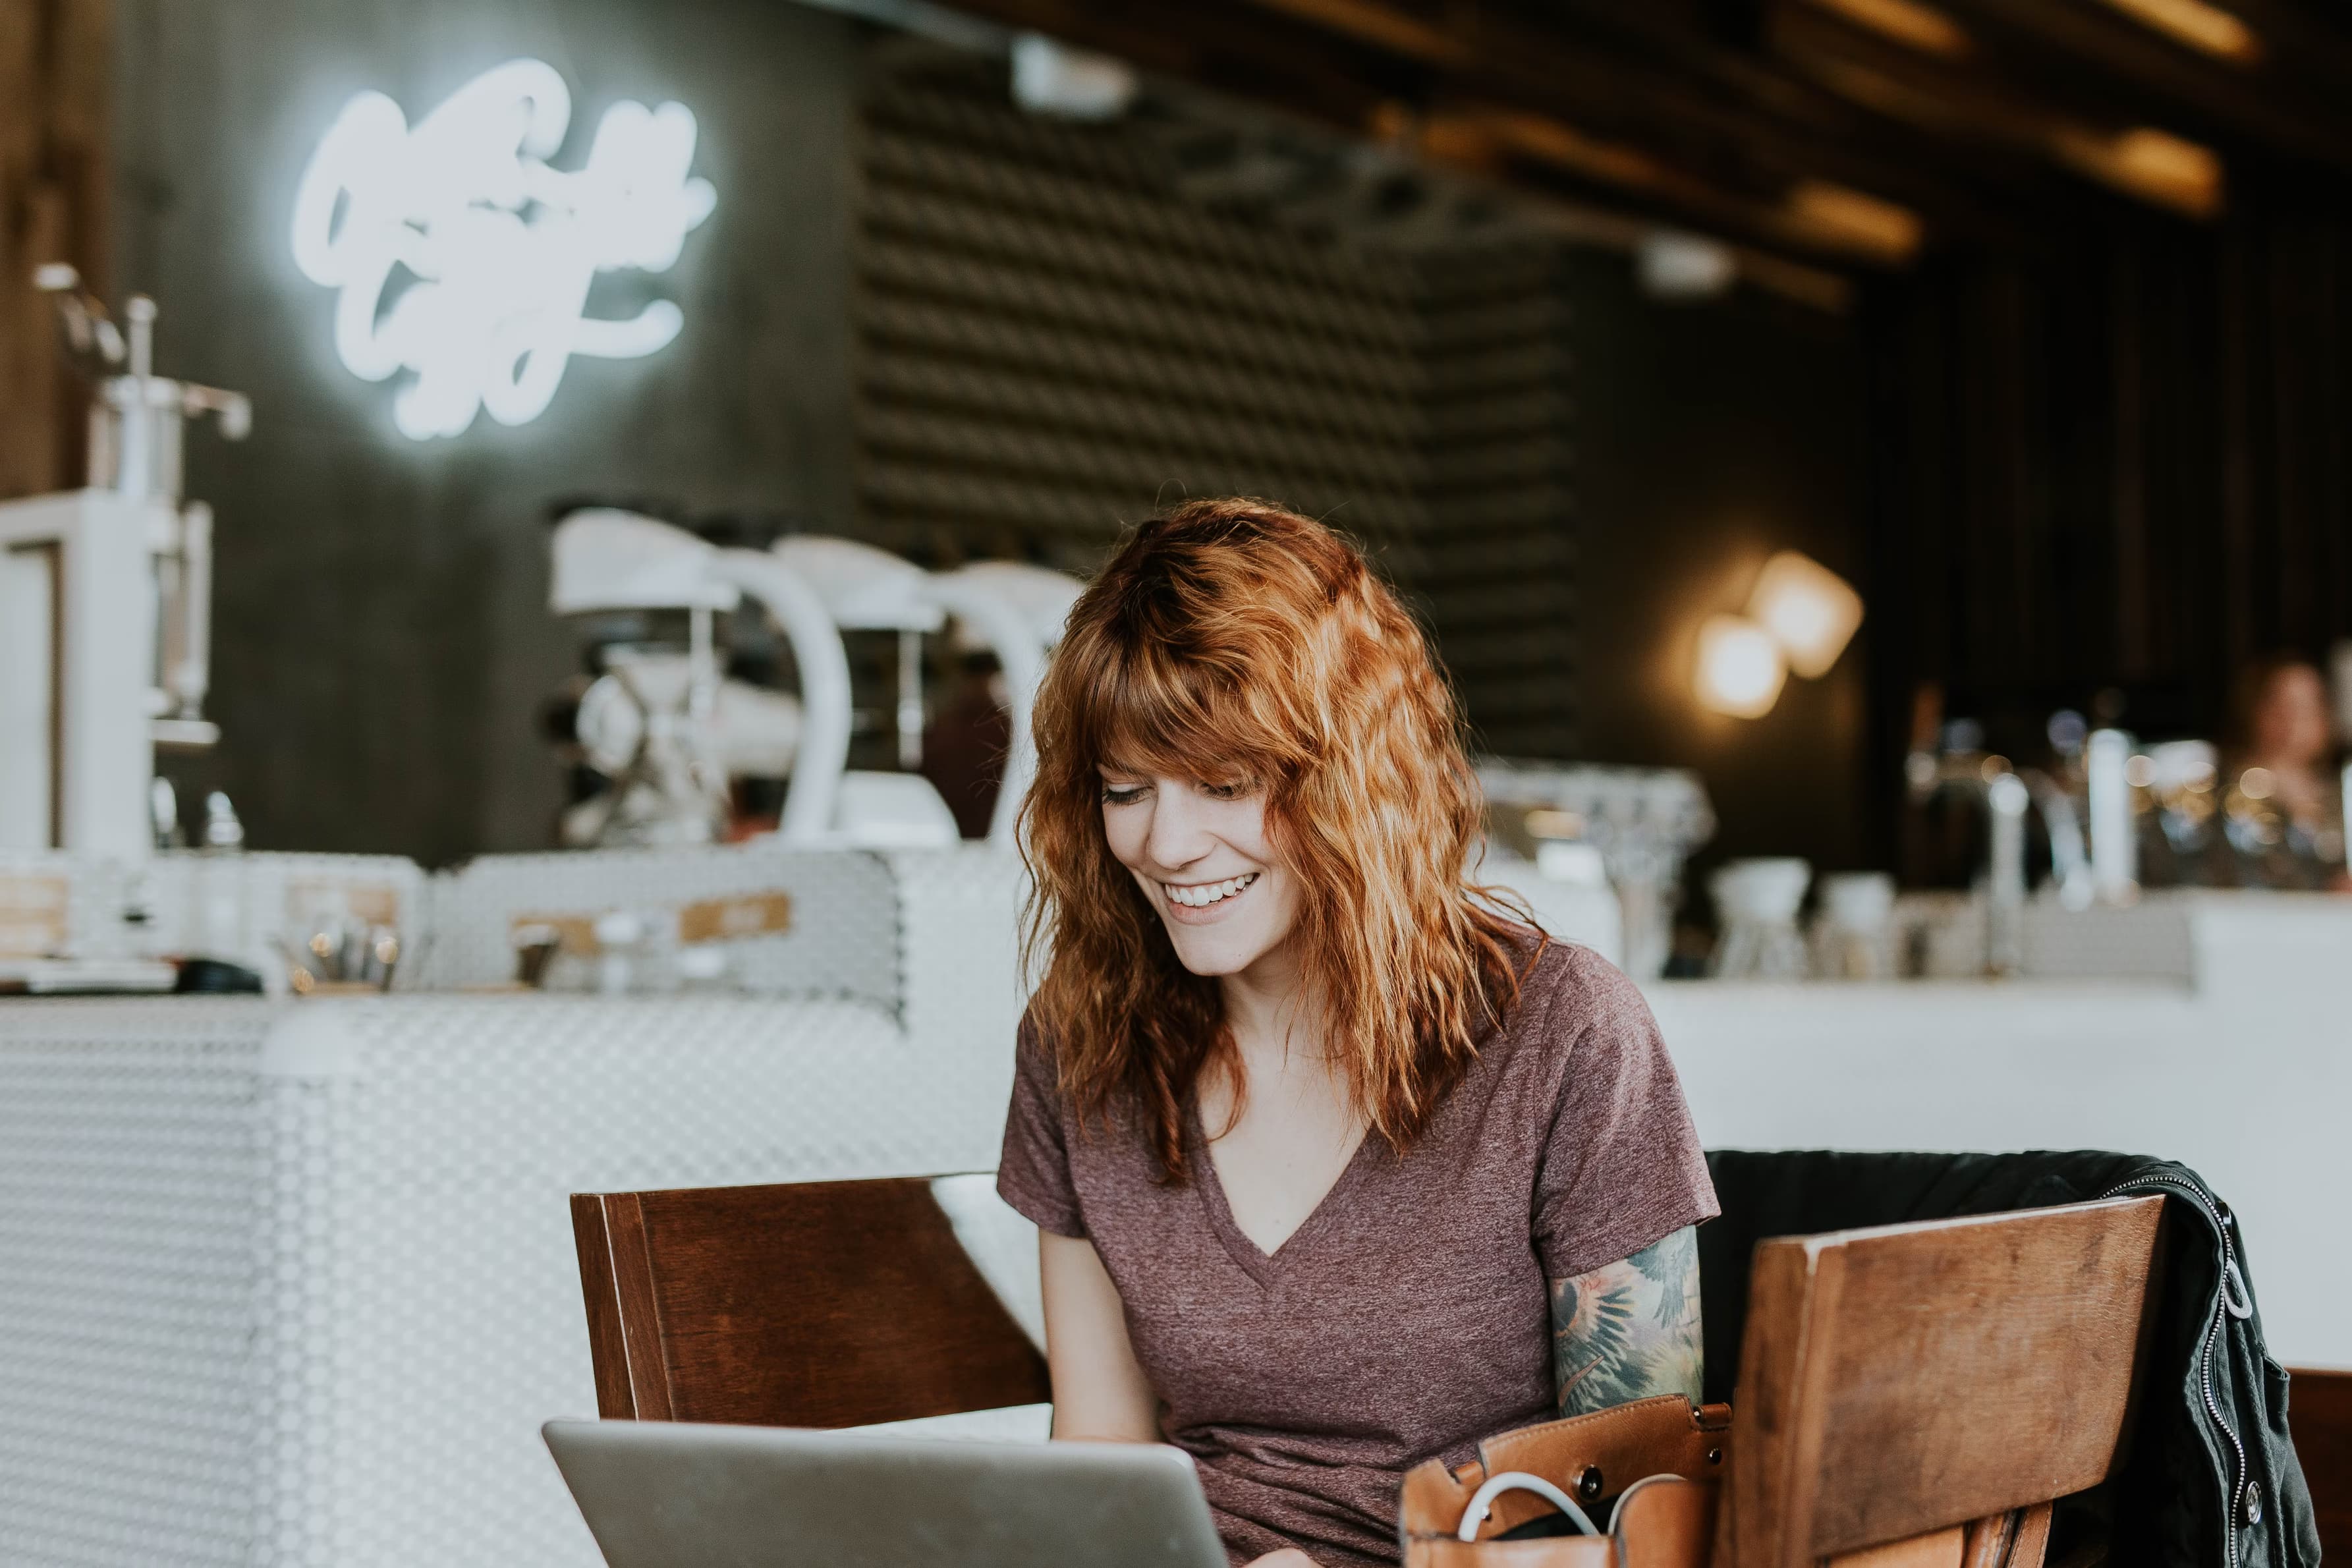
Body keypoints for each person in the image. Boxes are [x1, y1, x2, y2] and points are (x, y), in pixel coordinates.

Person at [995, 499, 1718, 1568]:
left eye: (1226, 784)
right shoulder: (1082, 1046)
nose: (1166, 843)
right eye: (1125, 789)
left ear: (1350, 782)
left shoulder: (1564, 1034)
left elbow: (1655, 1524)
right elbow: (1099, 1465)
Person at [2207, 654, 2349, 892]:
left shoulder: (2340, 793)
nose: (2293, 719)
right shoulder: (2224, 792)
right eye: (2280, 704)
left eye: (2307, 706)